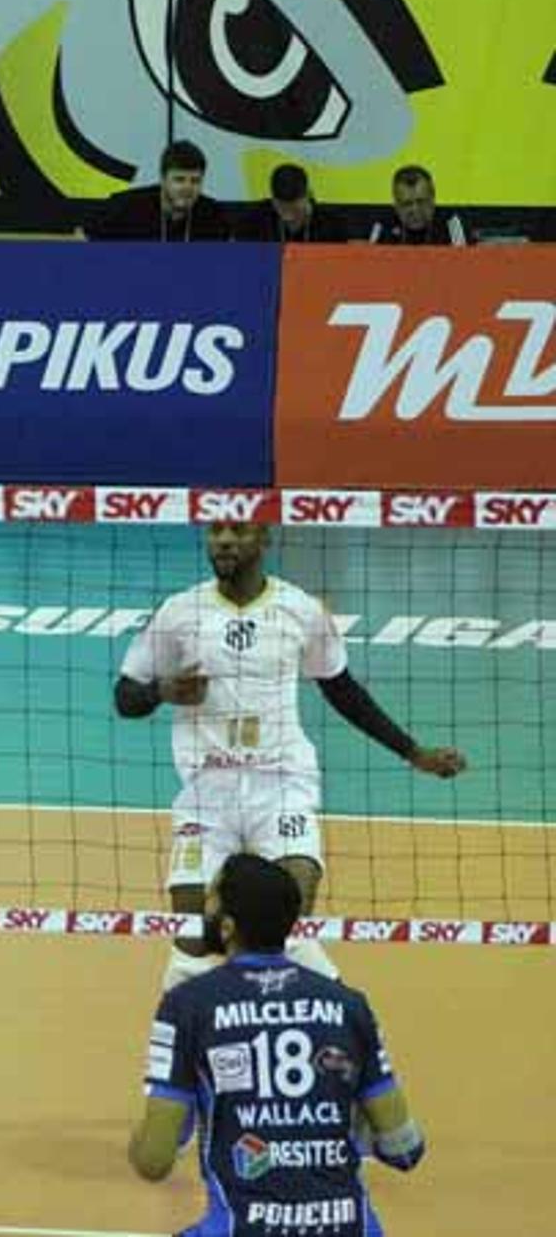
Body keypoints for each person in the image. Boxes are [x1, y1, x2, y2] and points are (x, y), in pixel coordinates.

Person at [114, 522, 466, 992]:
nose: (223, 540)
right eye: (215, 531)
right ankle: (188, 1026)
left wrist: (413, 752)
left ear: (264, 540)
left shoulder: (300, 610)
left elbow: (343, 691)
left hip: (281, 781)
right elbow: (124, 696)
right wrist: (161, 691)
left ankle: (338, 1008)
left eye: (237, 531)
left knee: (286, 913)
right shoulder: (179, 612)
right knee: (194, 932)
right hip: (207, 789)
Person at [130, 854, 426, 1237]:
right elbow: (405, 1149)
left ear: (228, 927)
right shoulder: (350, 1006)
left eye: (212, 899)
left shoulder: (188, 1006)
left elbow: (154, 1161)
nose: (205, 906)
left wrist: (147, 1137)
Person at [86, 141, 233, 242]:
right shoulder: (127, 207)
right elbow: (82, 240)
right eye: (179, 180)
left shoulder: (213, 214)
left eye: (195, 181)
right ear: (163, 179)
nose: (187, 188)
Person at [234, 164, 346, 243]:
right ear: (273, 198)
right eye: (281, 206)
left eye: (294, 206)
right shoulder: (254, 221)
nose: (288, 214)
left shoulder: (332, 224)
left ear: (308, 194)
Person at [367, 165, 469, 245]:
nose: (415, 210)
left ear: (433, 198)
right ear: (396, 205)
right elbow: (368, 264)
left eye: (421, 202)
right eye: (407, 204)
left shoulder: (450, 223)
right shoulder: (383, 226)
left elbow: (465, 263)